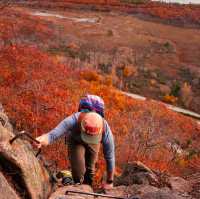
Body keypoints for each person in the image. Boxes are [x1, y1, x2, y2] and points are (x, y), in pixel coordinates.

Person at [36, 94, 115, 189]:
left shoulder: (105, 129)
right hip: (76, 140)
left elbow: (110, 157)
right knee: (78, 174)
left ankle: (87, 190)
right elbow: (54, 134)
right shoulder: (74, 119)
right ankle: (71, 177)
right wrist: (43, 139)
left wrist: (110, 181)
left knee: (90, 171)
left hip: (94, 142)